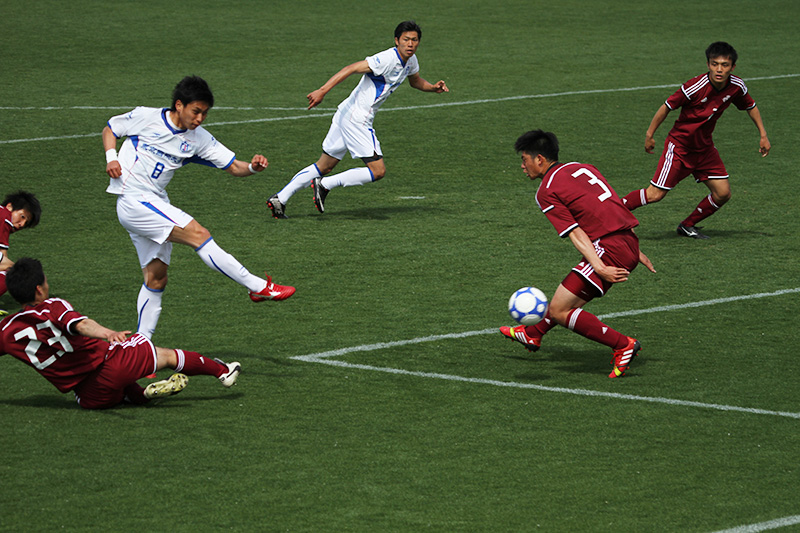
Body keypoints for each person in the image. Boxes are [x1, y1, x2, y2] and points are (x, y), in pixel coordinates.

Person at [103, 76, 295, 339]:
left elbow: (234, 166)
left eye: (205, 113)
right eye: (196, 111)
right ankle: (257, 286)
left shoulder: (199, 139)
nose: (200, 118)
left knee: (156, 278)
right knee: (199, 234)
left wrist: (252, 167)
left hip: (155, 202)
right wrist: (111, 158)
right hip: (134, 200)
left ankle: (141, 350)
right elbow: (111, 128)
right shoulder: (146, 117)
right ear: (179, 105)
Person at [500, 131, 656, 378]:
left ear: (539, 159)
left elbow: (576, 234)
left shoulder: (546, 191)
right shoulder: (583, 168)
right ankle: (533, 333)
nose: (522, 166)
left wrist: (600, 265)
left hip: (609, 248)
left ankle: (623, 344)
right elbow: (609, 204)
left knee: (561, 309)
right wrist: (634, 248)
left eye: (524, 159)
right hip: (624, 240)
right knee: (569, 299)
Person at [0, 258, 241, 409]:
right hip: (110, 365)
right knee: (163, 355)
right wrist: (108, 333)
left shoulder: (6, 331)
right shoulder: (53, 306)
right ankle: (223, 371)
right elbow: (80, 325)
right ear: (39, 288)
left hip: (87, 395)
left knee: (117, 391)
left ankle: (141, 394)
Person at [266, 20, 449, 218]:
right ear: (397, 41)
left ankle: (280, 198)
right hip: (357, 119)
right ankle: (325, 184)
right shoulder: (386, 59)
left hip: (346, 113)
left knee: (324, 165)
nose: (410, 44)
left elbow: (415, 81)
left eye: (414, 40)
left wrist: (432, 87)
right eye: (406, 40)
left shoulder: (411, 60)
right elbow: (351, 68)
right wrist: (322, 90)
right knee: (378, 171)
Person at [621, 42, 770, 239]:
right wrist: (650, 135)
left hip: (705, 149)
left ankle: (687, 225)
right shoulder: (694, 87)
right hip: (680, 148)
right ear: (708, 64)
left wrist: (763, 135)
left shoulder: (736, 86)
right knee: (655, 195)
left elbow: (750, 106)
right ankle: (613, 210)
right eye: (714, 64)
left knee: (723, 193)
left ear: (732, 67)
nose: (719, 69)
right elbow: (666, 106)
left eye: (724, 65)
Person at [0, 191, 42, 312]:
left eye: (26, 223)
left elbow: (2, 258)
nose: (21, 224)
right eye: (22, 217)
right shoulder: (3, 215)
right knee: (13, 272)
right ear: (9, 207)